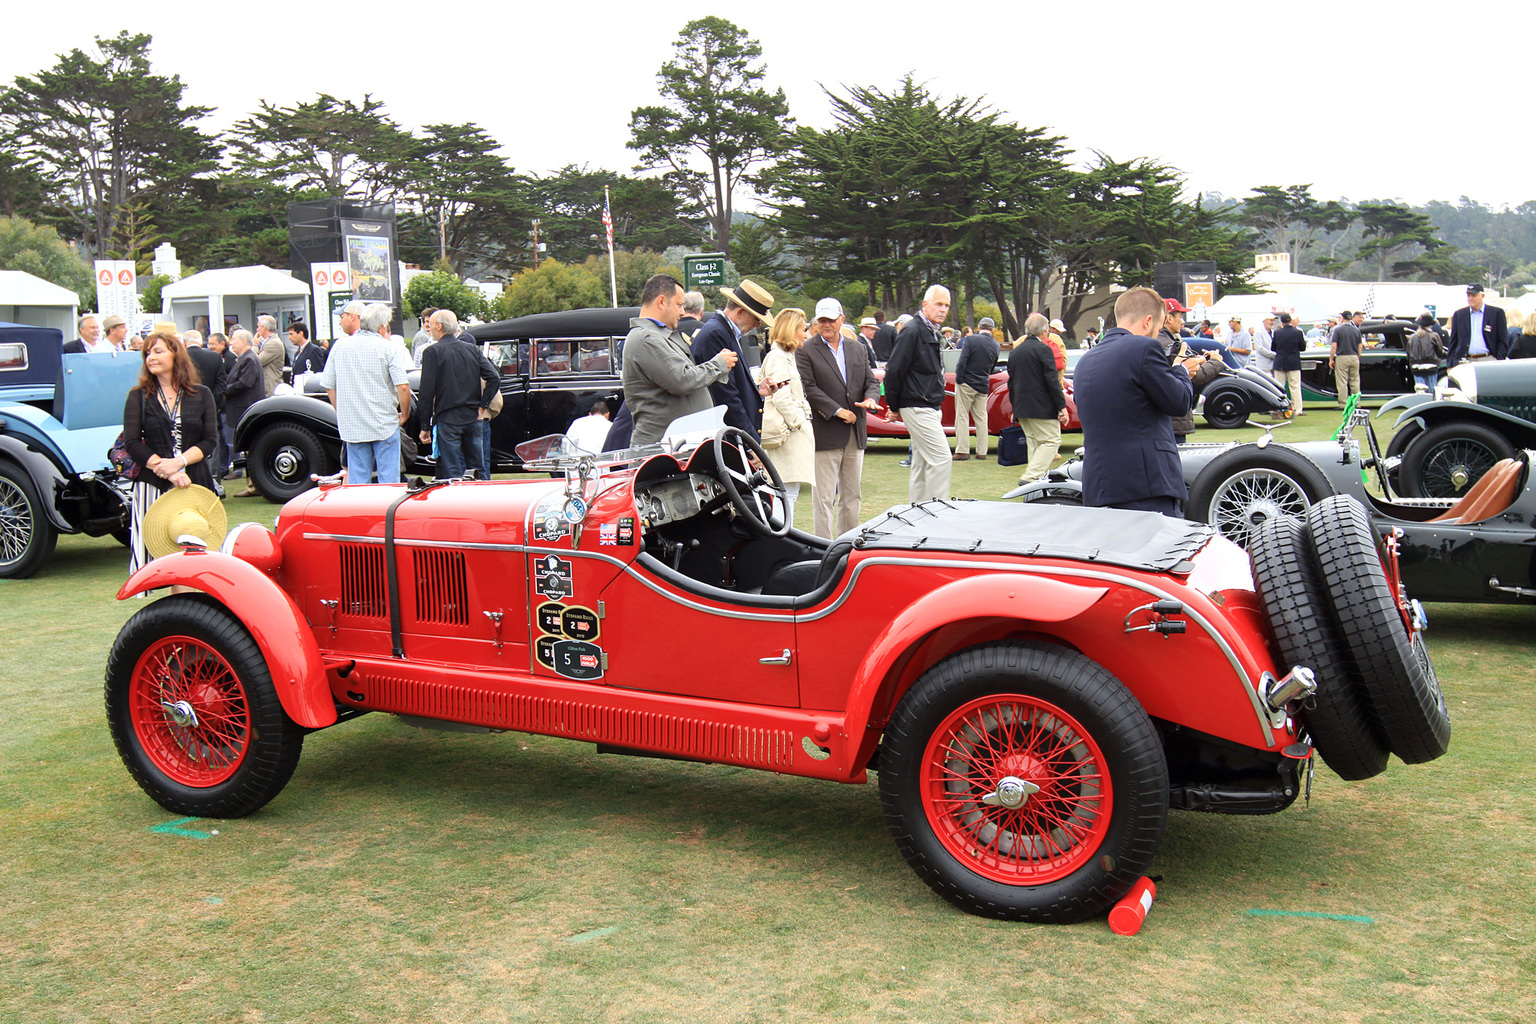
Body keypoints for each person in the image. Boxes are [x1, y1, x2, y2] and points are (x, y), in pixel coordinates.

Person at [1073, 287, 1197, 517]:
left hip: (1100, 484)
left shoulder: (1086, 361)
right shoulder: (1143, 348)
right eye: (1158, 327)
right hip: (1146, 484)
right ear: (1148, 321)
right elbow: (1178, 402)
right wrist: (1181, 370)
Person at [121, 329, 218, 575]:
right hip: (153, 484)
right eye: (146, 353)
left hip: (195, 481)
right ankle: (169, 611)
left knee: (197, 554)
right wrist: (167, 470)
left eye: (157, 351)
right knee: (159, 560)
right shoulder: (138, 396)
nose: (150, 358)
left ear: (175, 354)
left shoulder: (202, 394)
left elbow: (209, 441)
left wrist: (180, 462)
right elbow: (132, 442)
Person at [798, 297, 882, 536]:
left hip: (855, 433)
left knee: (852, 494)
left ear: (841, 320)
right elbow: (809, 387)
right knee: (823, 497)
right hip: (826, 432)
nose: (826, 325)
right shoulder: (806, 350)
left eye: (831, 320)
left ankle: (847, 545)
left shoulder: (858, 348)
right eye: (822, 320)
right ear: (816, 322)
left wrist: (871, 399)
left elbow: (870, 381)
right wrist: (837, 410)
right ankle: (823, 549)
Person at [623, 274, 737, 446]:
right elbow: (682, 380)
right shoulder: (646, 339)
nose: (683, 312)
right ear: (661, 302)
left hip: (676, 447)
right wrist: (718, 364)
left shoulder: (657, 336)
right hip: (663, 450)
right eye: (679, 305)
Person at [319, 302, 414, 485]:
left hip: (353, 423)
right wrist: (404, 413)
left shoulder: (339, 346)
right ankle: (386, 512)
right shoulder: (388, 347)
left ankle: (361, 512)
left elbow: (329, 385)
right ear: (381, 326)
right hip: (383, 422)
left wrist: (341, 410)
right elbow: (403, 387)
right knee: (389, 480)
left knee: (358, 479)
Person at [884, 285, 953, 502]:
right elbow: (894, 370)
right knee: (941, 458)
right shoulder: (913, 330)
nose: (943, 309)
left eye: (946, 305)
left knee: (922, 463)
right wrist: (894, 406)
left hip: (927, 404)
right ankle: (936, 512)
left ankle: (917, 511)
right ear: (925, 304)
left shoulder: (929, 330)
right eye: (939, 304)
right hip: (918, 404)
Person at [417, 309, 499, 479]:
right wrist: (482, 406)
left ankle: (456, 504)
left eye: (431, 325)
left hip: (448, 417)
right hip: (473, 416)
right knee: (478, 467)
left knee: (452, 470)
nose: (429, 329)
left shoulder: (432, 352)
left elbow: (426, 392)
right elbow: (494, 378)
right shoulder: (472, 350)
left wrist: (424, 425)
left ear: (439, 326)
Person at [691, 279, 775, 441]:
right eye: (756, 319)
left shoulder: (722, 332)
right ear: (740, 312)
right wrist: (750, 443)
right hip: (727, 437)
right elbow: (726, 397)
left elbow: (731, 386)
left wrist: (756, 389)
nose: (757, 326)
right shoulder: (717, 333)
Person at [759, 307, 815, 524]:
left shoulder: (784, 357)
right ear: (791, 330)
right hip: (786, 436)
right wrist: (798, 423)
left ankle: (783, 537)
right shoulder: (779, 358)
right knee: (784, 493)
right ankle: (781, 539)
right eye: (803, 329)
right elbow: (781, 396)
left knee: (787, 493)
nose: (806, 334)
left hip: (790, 434)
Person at [1008, 313, 1069, 485]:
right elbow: (1052, 382)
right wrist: (1061, 407)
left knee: (1034, 442)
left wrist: (1014, 408)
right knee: (1052, 440)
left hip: (1022, 406)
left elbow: (1011, 384)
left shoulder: (1016, 352)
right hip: (1041, 406)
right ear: (1044, 331)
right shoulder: (1044, 350)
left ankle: (1035, 483)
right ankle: (1031, 477)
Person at [952, 316, 1000, 460]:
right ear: (992, 329)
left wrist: (959, 378)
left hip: (967, 382)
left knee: (962, 415)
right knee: (981, 418)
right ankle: (982, 451)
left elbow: (963, 360)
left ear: (979, 327)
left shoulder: (971, 340)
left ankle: (963, 450)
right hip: (983, 383)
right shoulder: (996, 345)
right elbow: (992, 367)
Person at [222, 330, 265, 491]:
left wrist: (224, 391)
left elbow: (244, 383)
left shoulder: (249, 359)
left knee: (250, 448)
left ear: (243, 341)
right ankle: (252, 484)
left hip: (245, 409)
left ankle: (254, 485)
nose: (231, 342)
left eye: (233, 339)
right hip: (241, 409)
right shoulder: (244, 359)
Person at [1447, 284, 1510, 367]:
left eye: (1474, 296)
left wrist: (1499, 360)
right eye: (1469, 296)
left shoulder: (1496, 313)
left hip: (1488, 359)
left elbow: (1503, 339)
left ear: (1482, 296)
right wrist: (1450, 364)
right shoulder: (1459, 315)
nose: (1470, 299)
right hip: (1465, 360)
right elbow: (1453, 341)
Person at [1271, 313, 1307, 417]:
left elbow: (1273, 348)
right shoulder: (1298, 332)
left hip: (1280, 361)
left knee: (1279, 386)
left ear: (1281, 322)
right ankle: (1298, 409)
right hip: (1293, 361)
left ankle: (1279, 407)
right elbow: (1302, 347)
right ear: (1290, 321)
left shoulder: (1277, 333)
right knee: (1295, 386)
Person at [1328, 309, 1363, 408]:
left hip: (1342, 356)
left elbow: (1334, 345)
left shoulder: (1338, 330)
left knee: (1342, 381)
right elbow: (1360, 345)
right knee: (1355, 381)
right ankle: (1356, 403)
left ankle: (1343, 404)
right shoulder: (1356, 330)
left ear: (1342, 318)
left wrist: (1331, 359)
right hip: (1354, 356)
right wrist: (1358, 355)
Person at [1407, 313, 1449, 389]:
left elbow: (1409, 353)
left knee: (1420, 390)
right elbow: (1440, 352)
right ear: (1431, 325)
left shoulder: (1412, 337)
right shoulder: (1434, 335)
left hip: (1416, 367)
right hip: (1431, 365)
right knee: (1432, 390)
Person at [255, 315, 285, 397]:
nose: (257, 330)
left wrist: (254, 346)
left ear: (264, 328)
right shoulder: (266, 341)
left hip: (270, 386)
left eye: (258, 327)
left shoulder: (273, 343)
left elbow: (256, 362)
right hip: (266, 385)